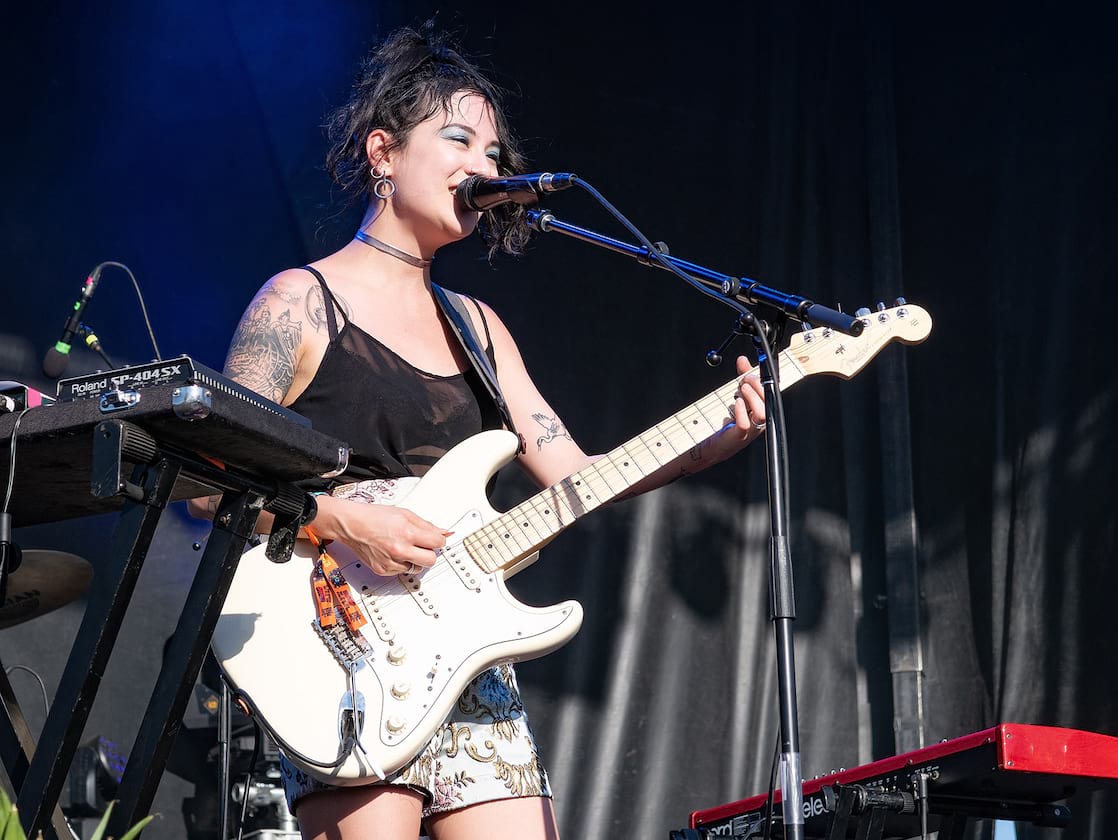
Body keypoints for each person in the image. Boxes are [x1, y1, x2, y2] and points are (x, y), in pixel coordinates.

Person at [192, 21, 766, 840]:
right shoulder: (296, 302)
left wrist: (715, 440)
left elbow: (574, 475)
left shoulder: (479, 326)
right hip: (341, 646)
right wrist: (342, 516)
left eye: (495, 155)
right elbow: (209, 486)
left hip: (465, 660)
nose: (485, 169)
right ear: (382, 153)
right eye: (458, 139)